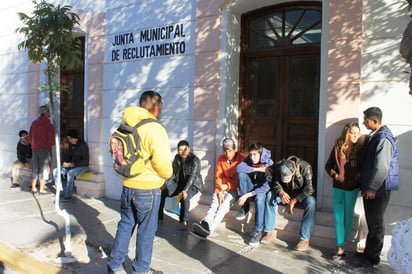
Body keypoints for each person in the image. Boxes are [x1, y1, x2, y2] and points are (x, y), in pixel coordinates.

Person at [107, 90, 173, 274]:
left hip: (128, 185)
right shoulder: (155, 128)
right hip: (148, 189)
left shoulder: (126, 123)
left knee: (125, 225)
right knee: (146, 232)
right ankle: (141, 270)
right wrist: (166, 175)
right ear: (156, 107)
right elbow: (162, 163)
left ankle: (114, 265)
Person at [353, 107, 398, 268]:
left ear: (375, 121)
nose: (364, 122)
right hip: (372, 188)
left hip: (378, 189)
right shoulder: (375, 136)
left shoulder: (383, 139)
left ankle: (372, 258)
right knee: (372, 222)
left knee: (376, 223)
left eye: (366, 120)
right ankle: (367, 253)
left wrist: (372, 188)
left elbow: (382, 167)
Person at [189, 137, 244, 240]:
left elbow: (240, 180)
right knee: (214, 203)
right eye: (225, 151)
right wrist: (220, 191)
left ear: (235, 149)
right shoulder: (221, 158)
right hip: (221, 188)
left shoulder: (241, 159)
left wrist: (227, 186)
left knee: (223, 207)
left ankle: (208, 230)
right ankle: (205, 224)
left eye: (230, 151)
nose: (227, 153)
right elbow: (219, 176)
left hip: (235, 190)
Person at [325, 122, 363, 258]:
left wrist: (360, 178)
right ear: (347, 133)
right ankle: (340, 246)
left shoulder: (360, 149)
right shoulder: (338, 147)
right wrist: (335, 175)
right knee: (338, 217)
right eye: (352, 132)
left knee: (347, 217)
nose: (355, 135)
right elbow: (328, 165)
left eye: (357, 133)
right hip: (338, 187)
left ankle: (342, 244)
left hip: (352, 188)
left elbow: (364, 167)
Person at [271, 155, 316, 251]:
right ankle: (268, 230)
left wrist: (295, 200)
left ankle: (304, 238)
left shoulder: (305, 167)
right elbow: (276, 182)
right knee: (269, 197)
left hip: (301, 194)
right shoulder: (279, 165)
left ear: (294, 170)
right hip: (286, 193)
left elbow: (310, 189)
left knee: (311, 202)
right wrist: (281, 192)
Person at [158, 140, 203, 231]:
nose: (183, 152)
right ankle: (159, 217)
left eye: (185, 149)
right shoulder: (177, 158)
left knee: (184, 197)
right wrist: (165, 184)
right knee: (162, 192)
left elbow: (192, 177)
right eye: (180, 150)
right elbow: (173, 173)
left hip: (193, 185)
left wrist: (185, 190)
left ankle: (184, 221)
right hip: (180, 183)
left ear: (189, 149)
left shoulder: (195, 160)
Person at [236, 143, 275, 246]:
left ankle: (258, 230)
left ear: (261, 154)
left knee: (260, 198)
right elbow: (239, 168)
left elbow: (266, 187)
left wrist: (248, 195)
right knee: (241, 175)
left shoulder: (269, 163)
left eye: (255, 155)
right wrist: (257, 169)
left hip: (262, 190)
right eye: (251, 154)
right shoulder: (249, 159)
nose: (252, 157)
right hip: (252, 186)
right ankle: (245, 207)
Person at [53, 129, 89, 201]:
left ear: (74, 138)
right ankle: (60, 191)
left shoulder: (83, 145)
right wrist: (65, 163)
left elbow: (85, 161)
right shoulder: (71, 145)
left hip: (81, 166)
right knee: (55, 171)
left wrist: (73, 164)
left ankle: (68, 195)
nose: (69, 140)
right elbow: (68, 156)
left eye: (70, 139)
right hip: (71, 166)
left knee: (70, 173)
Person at [29, 105, 55, 194]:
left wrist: (33, 145)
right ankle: (41, 188)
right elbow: (51, 140)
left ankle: (33, 188)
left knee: (35, 167)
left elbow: (30, 136)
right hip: (45, 149)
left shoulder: (34, 123)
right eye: (49, 111)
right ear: (46, 112)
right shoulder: (48, 125)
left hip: (35, 149)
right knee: (44, 168)